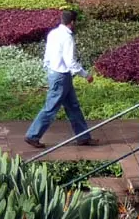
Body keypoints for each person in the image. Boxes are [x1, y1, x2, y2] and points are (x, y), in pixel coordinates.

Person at [25, 9, 97, 148]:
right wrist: (85, 75)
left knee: (73, 107)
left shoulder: (53, 33)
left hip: (57, 73)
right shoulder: (67, 37)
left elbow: (47, 54)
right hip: (61, 76)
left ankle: (83, 137)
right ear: (72, 22)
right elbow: (70, 62)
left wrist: (49, 68)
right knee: (51, 108)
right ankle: (32, 135)